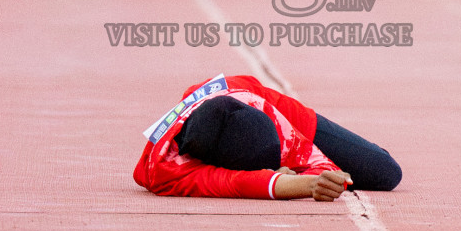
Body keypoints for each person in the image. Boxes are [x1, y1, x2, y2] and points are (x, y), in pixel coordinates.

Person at [134, 74, 402, 199]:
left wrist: (321, 175)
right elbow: (243, 184)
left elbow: (324, 167)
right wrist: (308, 185)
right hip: (226, 117)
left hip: (254, 98)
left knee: (385, 172)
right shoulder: (167, 173)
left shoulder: (275, 120)